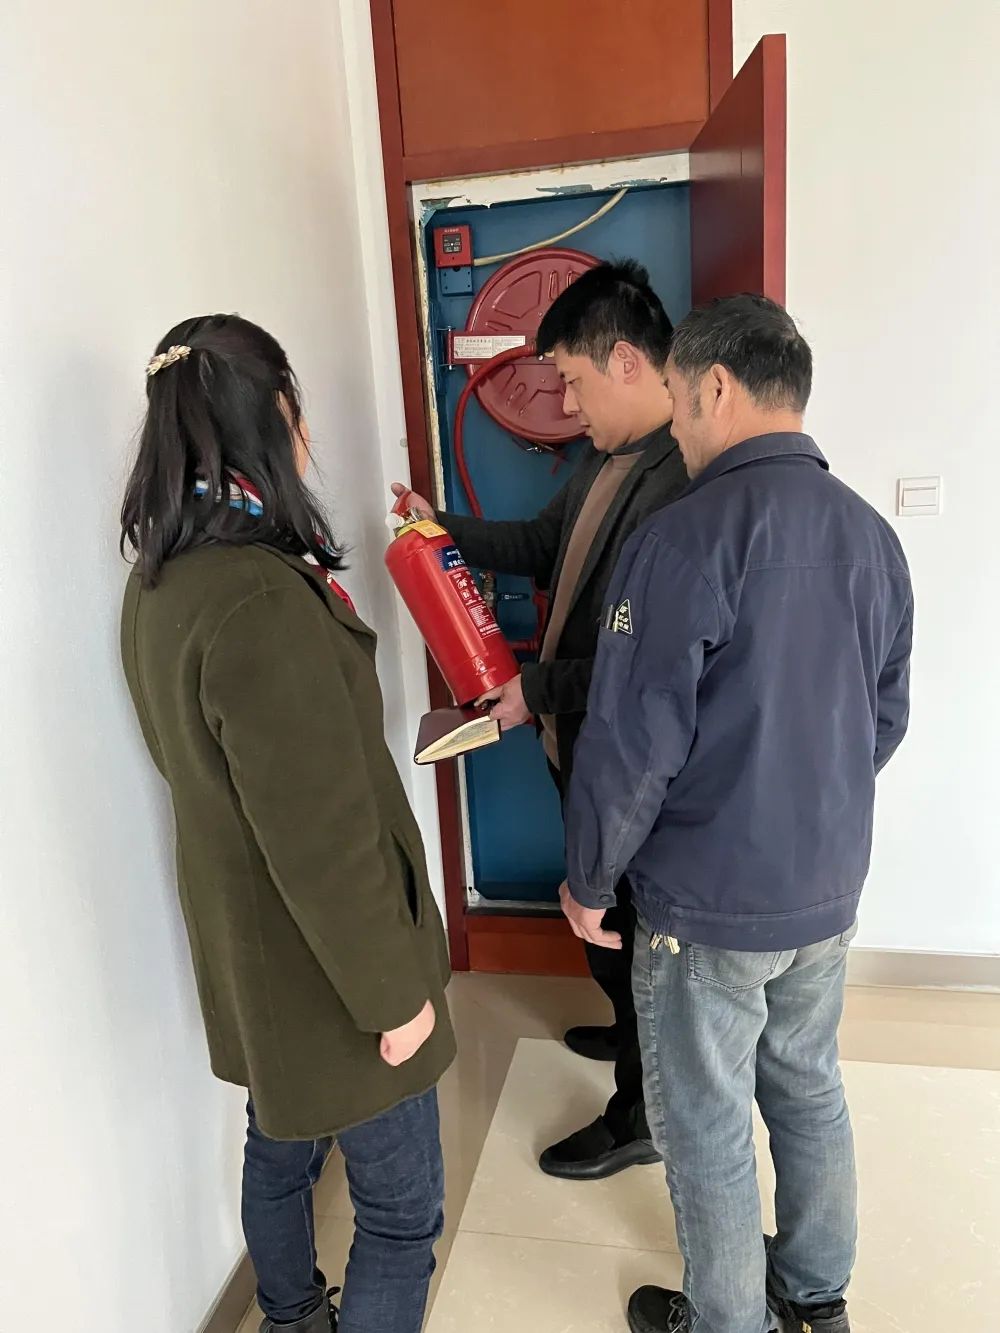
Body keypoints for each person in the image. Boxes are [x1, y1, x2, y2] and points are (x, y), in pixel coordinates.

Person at [561, 294, 912, 1333]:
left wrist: (589, 879)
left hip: (705, 903)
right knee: (807, 1084)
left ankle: (726, 1320)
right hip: (825, 890)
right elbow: (884, 717)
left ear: (715, 387)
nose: (675, 425)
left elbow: (632, 744)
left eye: (676, 399)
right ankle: (815, 1295)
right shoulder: (873, 537)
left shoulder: (681, 540)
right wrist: (806, 806)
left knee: (707, 1118)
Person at [120, 315, 456, 1333]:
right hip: (335, 977)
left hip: (258, 962)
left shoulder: (162, 582)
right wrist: (395, 999)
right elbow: (326, 844)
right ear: (273, 414)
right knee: (399, 1215)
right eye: (297, 408)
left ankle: (290, 1315)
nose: (306, 432)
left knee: (278, 1149)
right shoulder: (255, 598)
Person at [392, 260, 689, 1182]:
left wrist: (537, 689)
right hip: (578, 742)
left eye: (572, 380)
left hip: (627, 758)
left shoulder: (684, 479)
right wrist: (437, 526)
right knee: (604, 924)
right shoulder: (607, 457)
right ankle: (628, 1029)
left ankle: (641, 1113)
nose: (564, 402)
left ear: (627, 361)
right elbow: (535, 544)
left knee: (631, 931)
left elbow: (653, 668)